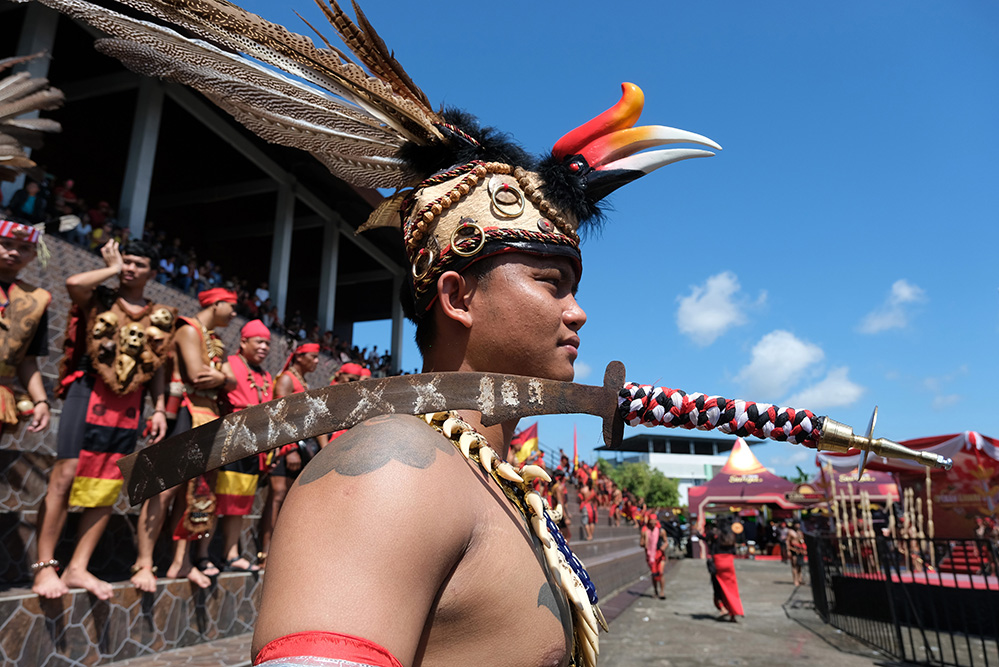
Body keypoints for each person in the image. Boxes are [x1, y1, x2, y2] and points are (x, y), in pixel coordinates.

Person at [42, 1, 718, 663]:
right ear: (458, 297)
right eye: (552, 283)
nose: (578, 313)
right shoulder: (393, 472)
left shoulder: (486, 477)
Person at [32, 239, 174, 599]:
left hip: (129, 402)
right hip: (89, 388)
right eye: (127, 261)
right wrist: (110, 268)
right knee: (65, 474)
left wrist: (159, 407)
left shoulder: (159, 314)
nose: (130, 268)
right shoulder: (100, 298)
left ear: (152, 273)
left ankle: (78, 567)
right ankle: (45, 567)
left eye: (138, 264)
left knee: (109, 483)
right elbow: (73, 284)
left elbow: (157, 366)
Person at [129, 287, 236, 592]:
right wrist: (222, 378)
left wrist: (222, 379)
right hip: (184, 413)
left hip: (207, 416)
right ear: (216, 304)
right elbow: (198, 374)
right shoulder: (188, 329)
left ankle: (182, 561)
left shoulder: (214, 339)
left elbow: (231, 381)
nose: (234, 313)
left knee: (194, 492)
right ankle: (144, 562)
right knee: (164, 490)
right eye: (231, 306)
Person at [258, 342, 329, 559]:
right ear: (299, 357)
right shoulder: (287, 379)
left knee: (288, 497)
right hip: (285, 448)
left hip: (300, 448)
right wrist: (289, 450)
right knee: (277, 495)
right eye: (313, 356)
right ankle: (265, 552)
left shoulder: (302, 381)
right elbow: (279, 415)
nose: (316, 361)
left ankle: (279, 551)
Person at [214, 319, 273, 570]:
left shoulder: (266, 375)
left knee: (240, 502)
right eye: (259, 342)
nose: (264, 347)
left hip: (253, 445)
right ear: (244, 341)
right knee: (216, 499)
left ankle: (231, 553)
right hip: (229, 440)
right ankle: (202, 554)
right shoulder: (228, 365)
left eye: (267, 343)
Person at [0, 220, 52, 435]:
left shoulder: (37, 299)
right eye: (6, 244)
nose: (14, 252)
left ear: (33, 255)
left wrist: (41, 401)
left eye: (24, 248)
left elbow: (28, 359)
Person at [709, 524, 745, 622]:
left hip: (718, 562)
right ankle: (734, 613)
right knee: (731, 589)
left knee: (718, 587)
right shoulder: (730, 538)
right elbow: (734, 551)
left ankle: (723, 608)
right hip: (729, 563)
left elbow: (711, 549)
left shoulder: (717, 537)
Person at [640, 512, 666, 599]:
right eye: (651, 520)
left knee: (660, 573)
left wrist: (664, 546)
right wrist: (644, 543)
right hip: (650, 555)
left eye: (654, 520)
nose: (653, 522)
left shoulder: (661, 531)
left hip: (660, 554)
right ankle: (656, 591)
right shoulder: (645, 531)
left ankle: (662, 592)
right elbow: (641, 543)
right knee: (654, 574)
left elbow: (666, 542)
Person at [787, 520, 807, 586]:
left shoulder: (800, 532)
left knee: (800, 565)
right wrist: (788, 550)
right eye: (796, 524)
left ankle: (799, 579)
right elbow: (787, 541)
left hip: (800, 550)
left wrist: (804, 549)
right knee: (794, 565)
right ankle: (795, 580)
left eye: (798, 524)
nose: (798, 525)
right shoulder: (790, 532)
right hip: (793, 549)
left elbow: (802, 541)